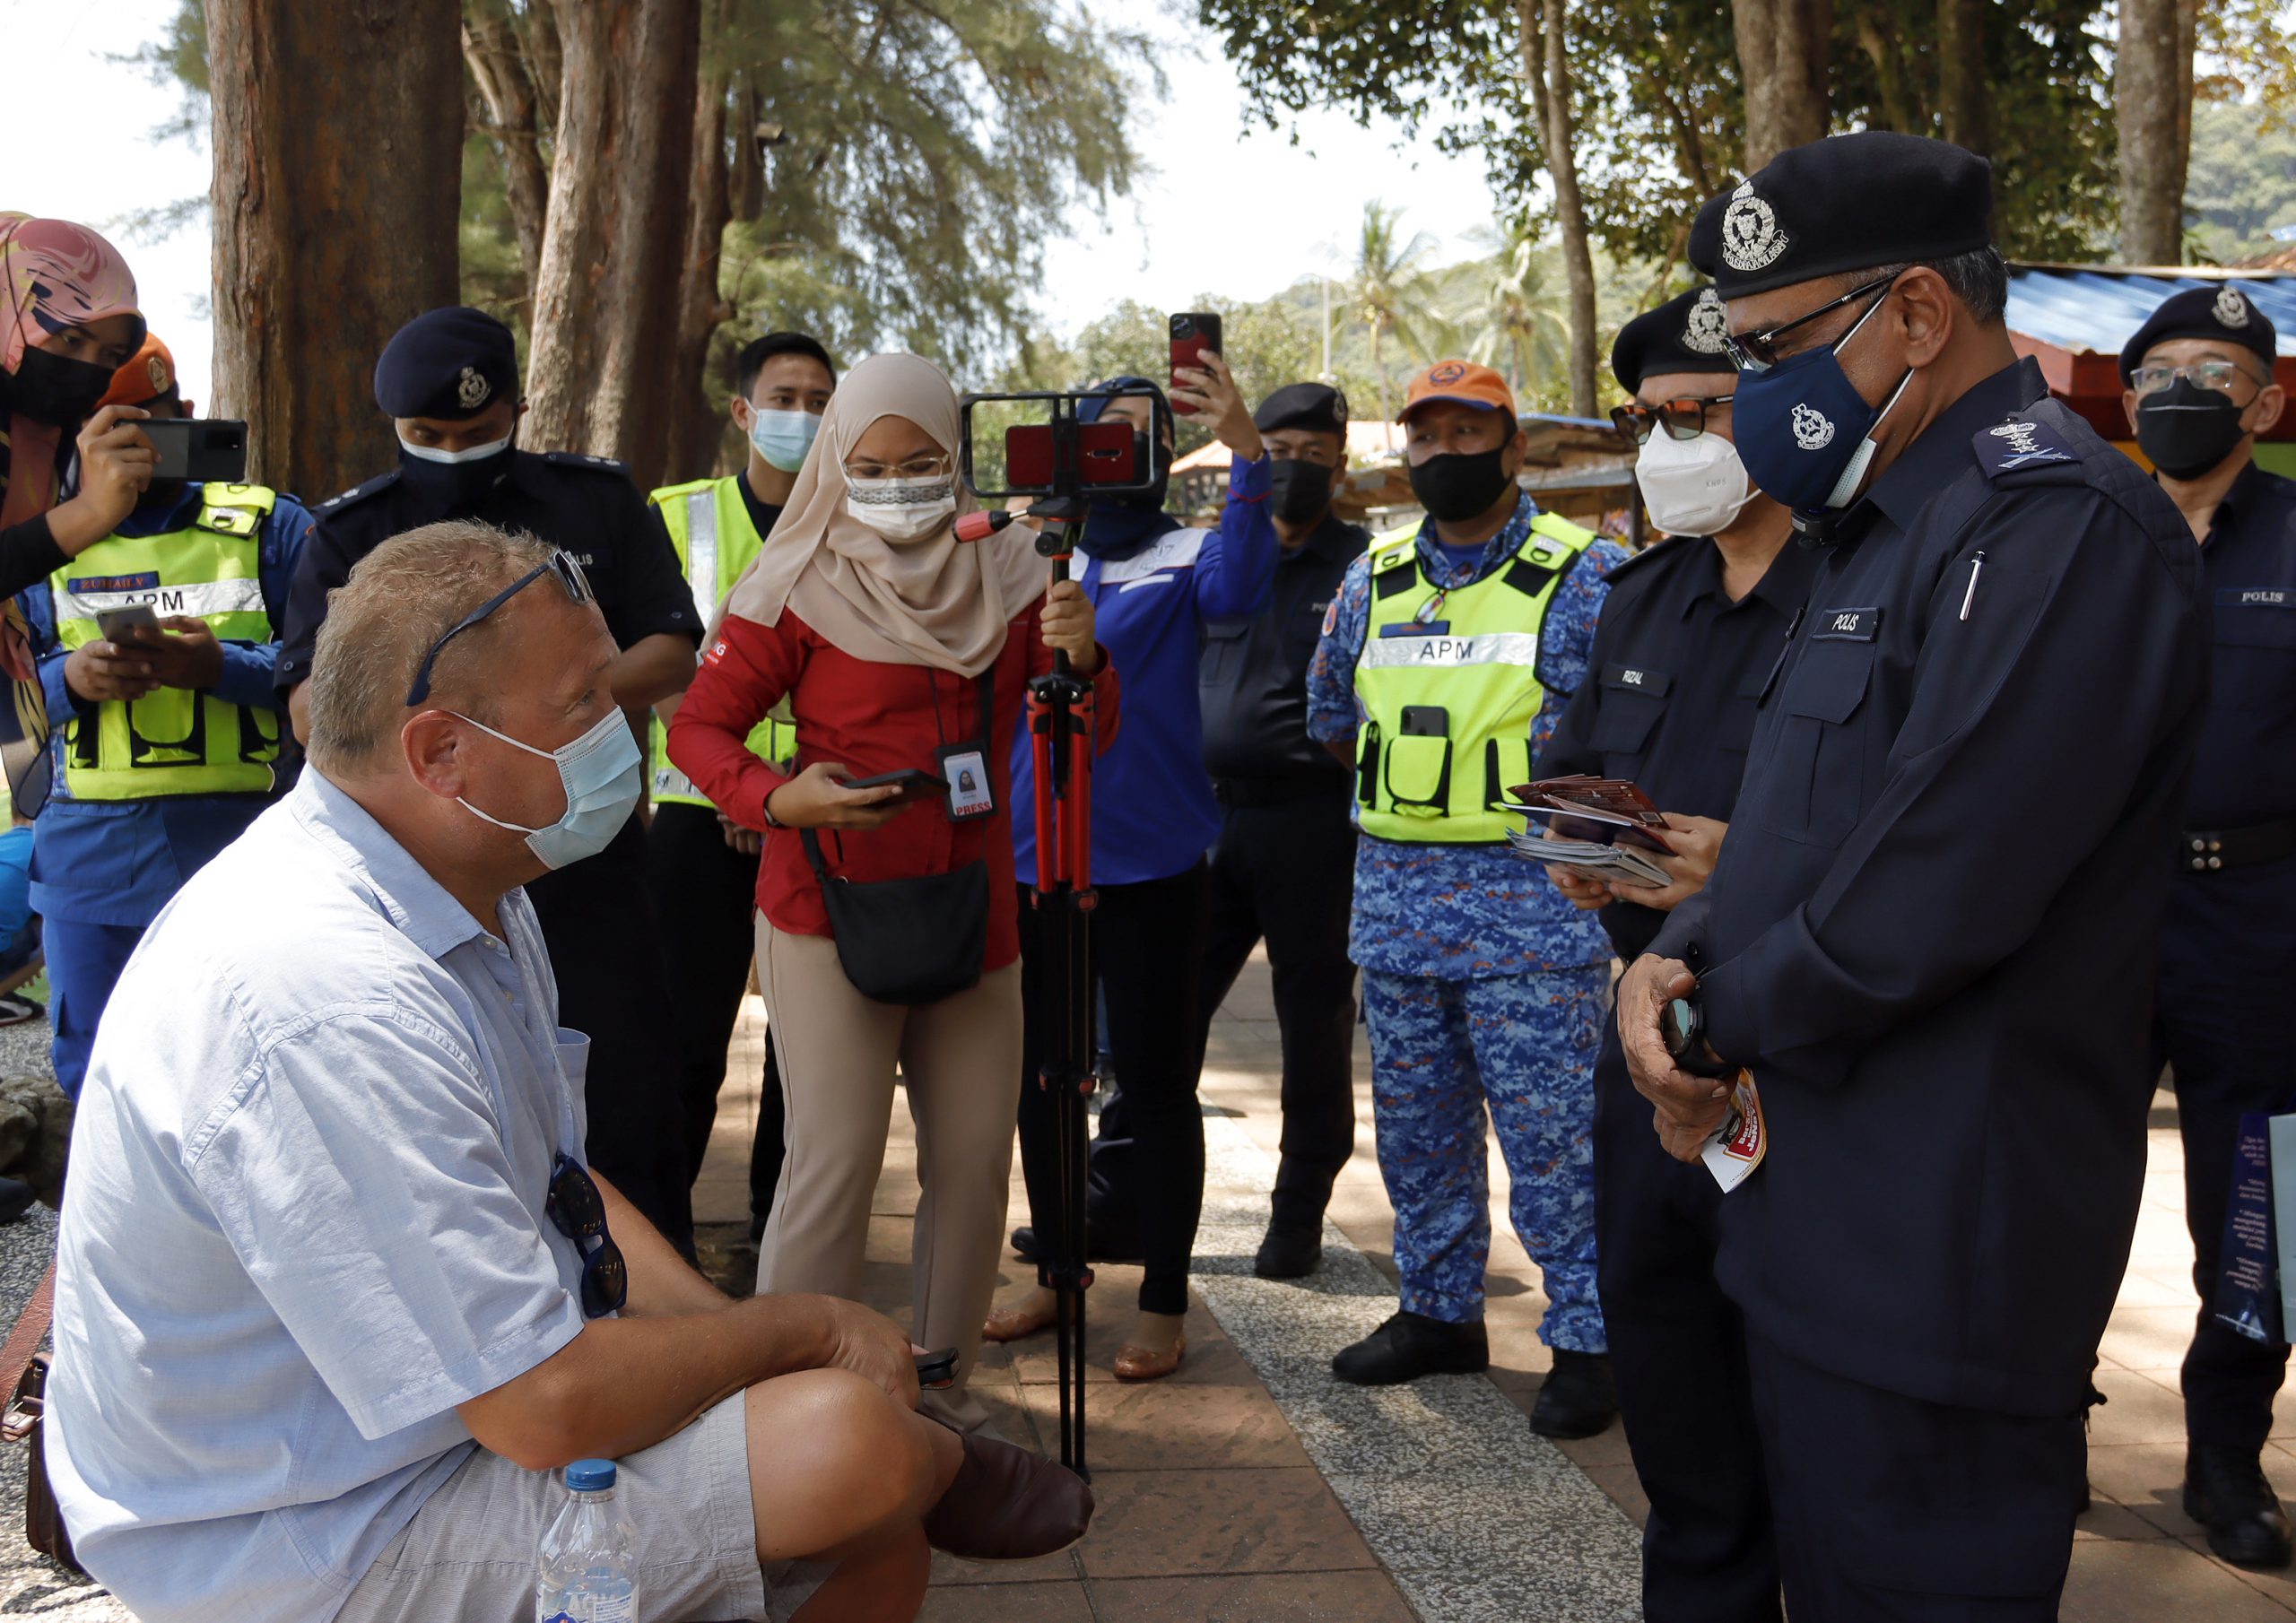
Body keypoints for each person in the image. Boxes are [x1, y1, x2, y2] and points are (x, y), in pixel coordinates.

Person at [44, 519, 1093, 1623]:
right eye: (585, 701)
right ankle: (931, 1458)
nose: (625, 725)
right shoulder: (327, 989)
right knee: (854, 1452)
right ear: (441, 752)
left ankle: (905, 1454)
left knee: (858, 1506)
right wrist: (808, 1333)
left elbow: (559, 1185)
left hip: (405, 1438)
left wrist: (755, 1358)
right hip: (305, 1533)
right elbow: (542, 1408)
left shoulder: (464, 888)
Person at [1617, 132, 2205, 1619]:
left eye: (1773, 349)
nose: (1754, 395)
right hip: (1808, 1213)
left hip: (1937, 1255)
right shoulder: (1879, 534)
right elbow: (1792, 827)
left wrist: (1698, 1021)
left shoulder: (2057, 526)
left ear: (1922, 315)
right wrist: (1672, 949)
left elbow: (1926, 895)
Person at [667, 353, 1117, 1432]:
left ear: (952, 456)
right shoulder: (794, 578)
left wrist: (1086, 659)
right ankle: (790, 1408)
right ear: (837, 460)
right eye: (869, 465)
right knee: (832, 1159)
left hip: (976, 912)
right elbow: (696, 728)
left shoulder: (1013, 570)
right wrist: (782, 800)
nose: (898, 481)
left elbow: (1082, 739)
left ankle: (939, 1391)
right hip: (826, 908)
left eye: (921, 462)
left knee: (972, 1161)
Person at [278, 306, 704, 1252]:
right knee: (447, 1112)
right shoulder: (355, 533)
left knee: (629, 1105)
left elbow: (670, 647)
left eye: (477, 435)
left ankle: (671, 1336)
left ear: (517, 406)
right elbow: (315, 710)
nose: (454, 455)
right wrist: (499, 722)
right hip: (431, 878)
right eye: (428, 438)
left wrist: (555, 700)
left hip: (583, 860)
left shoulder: (593, 504)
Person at [1535, 285, 1807, 1621]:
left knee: (1810, 1406)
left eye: (1704, 412)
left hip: (1805, 1051)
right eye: (1654, 420)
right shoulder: (1643, 597)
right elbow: (1566, 762)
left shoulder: (1869, 585)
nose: (1676, 444)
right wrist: (1583, 849)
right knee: (1673, 1375)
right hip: (1643, 1050)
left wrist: (1742, 868)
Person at [1306, 359, 1626, 1439]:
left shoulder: (1589, 575)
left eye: (1466, 430)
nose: (1445, 451)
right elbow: (1329, 716)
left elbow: (1629, 740)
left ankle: (1588, 1336)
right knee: (1418, 1134)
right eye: (1426, 434)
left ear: (1513, 444)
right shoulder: (1372, 576)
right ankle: (1437, 1312)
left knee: (1556, 1142)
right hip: (1397, 911)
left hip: (1534, 917)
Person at [987, 358, 1276, 1380]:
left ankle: (1162, 1292)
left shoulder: (1189, 551)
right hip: (1030, 859)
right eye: (1100, 431)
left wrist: (1246, 448)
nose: (1120, 448)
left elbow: (1242, 589)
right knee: (1039, 1079)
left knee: (1156, 1086)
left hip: (1153, 858)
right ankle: (1058, 1270)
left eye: (1140, 433)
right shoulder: (1025, 553)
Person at [2117, 283, 2296, 1568]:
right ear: (2126, 403)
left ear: (2269, 402)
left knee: (2259, 1196)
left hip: (2262, 921)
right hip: (2090, 914)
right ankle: (2036, 1419)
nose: (2186, 389)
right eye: (2162, 369)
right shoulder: (2074, 537)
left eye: (2216, 370)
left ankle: (2228, 1451)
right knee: (2051, 1170)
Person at [22, 333, 312, 1098]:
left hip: (249, 856)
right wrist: (71, 680)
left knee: (259, 1076)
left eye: (138, 428)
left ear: (183, 417)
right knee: (102, 1081)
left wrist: (222, 668)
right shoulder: (34, 544)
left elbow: (337, 673)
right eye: (98, 433)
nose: (120, 454)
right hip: (92, 871)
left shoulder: (271, 527)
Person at [646, 330, 836, 1231]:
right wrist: (742, 788)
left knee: (808, 1054)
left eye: (819, 401)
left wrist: (785, 790)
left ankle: (781, 1234)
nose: (803, 415)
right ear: (743, 410)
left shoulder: (858, 524)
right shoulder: (674, 516)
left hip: (821, 816)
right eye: (787, 397)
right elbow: (652, 666)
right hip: (695, 817)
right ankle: (661, 1243)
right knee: (683, 1046)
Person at [1194, 379, 1368, 1280]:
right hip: (1205, 819)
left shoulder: (1365, 567)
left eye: (1311, 452)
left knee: (1313, 1026)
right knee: (1159, 1020)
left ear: (1339, 459)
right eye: (1276, 450)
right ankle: (1122, 1196)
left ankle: (1296, 1216)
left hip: (1313, 827)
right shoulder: (1223, 558)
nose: (1295, 468)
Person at [0, 216, 150, 601]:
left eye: (112, 355)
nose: (88, 367)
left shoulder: (42, 434)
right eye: (69, 338)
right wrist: (89, 512)